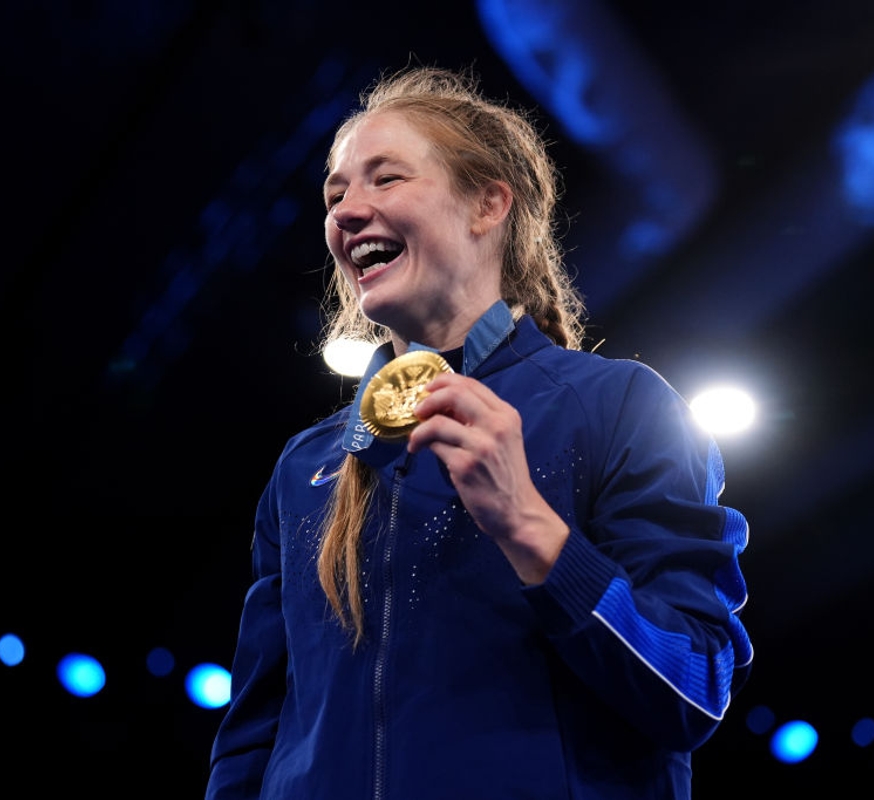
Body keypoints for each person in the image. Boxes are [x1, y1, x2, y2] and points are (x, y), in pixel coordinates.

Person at [204, 64, 753, 800]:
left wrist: (532, 529)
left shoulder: (620, 406)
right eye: (335, 194)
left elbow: (693, 684)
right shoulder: (307, 464)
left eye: (385, 179)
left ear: (488, 203)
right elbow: (251, 738)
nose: (346, 211)